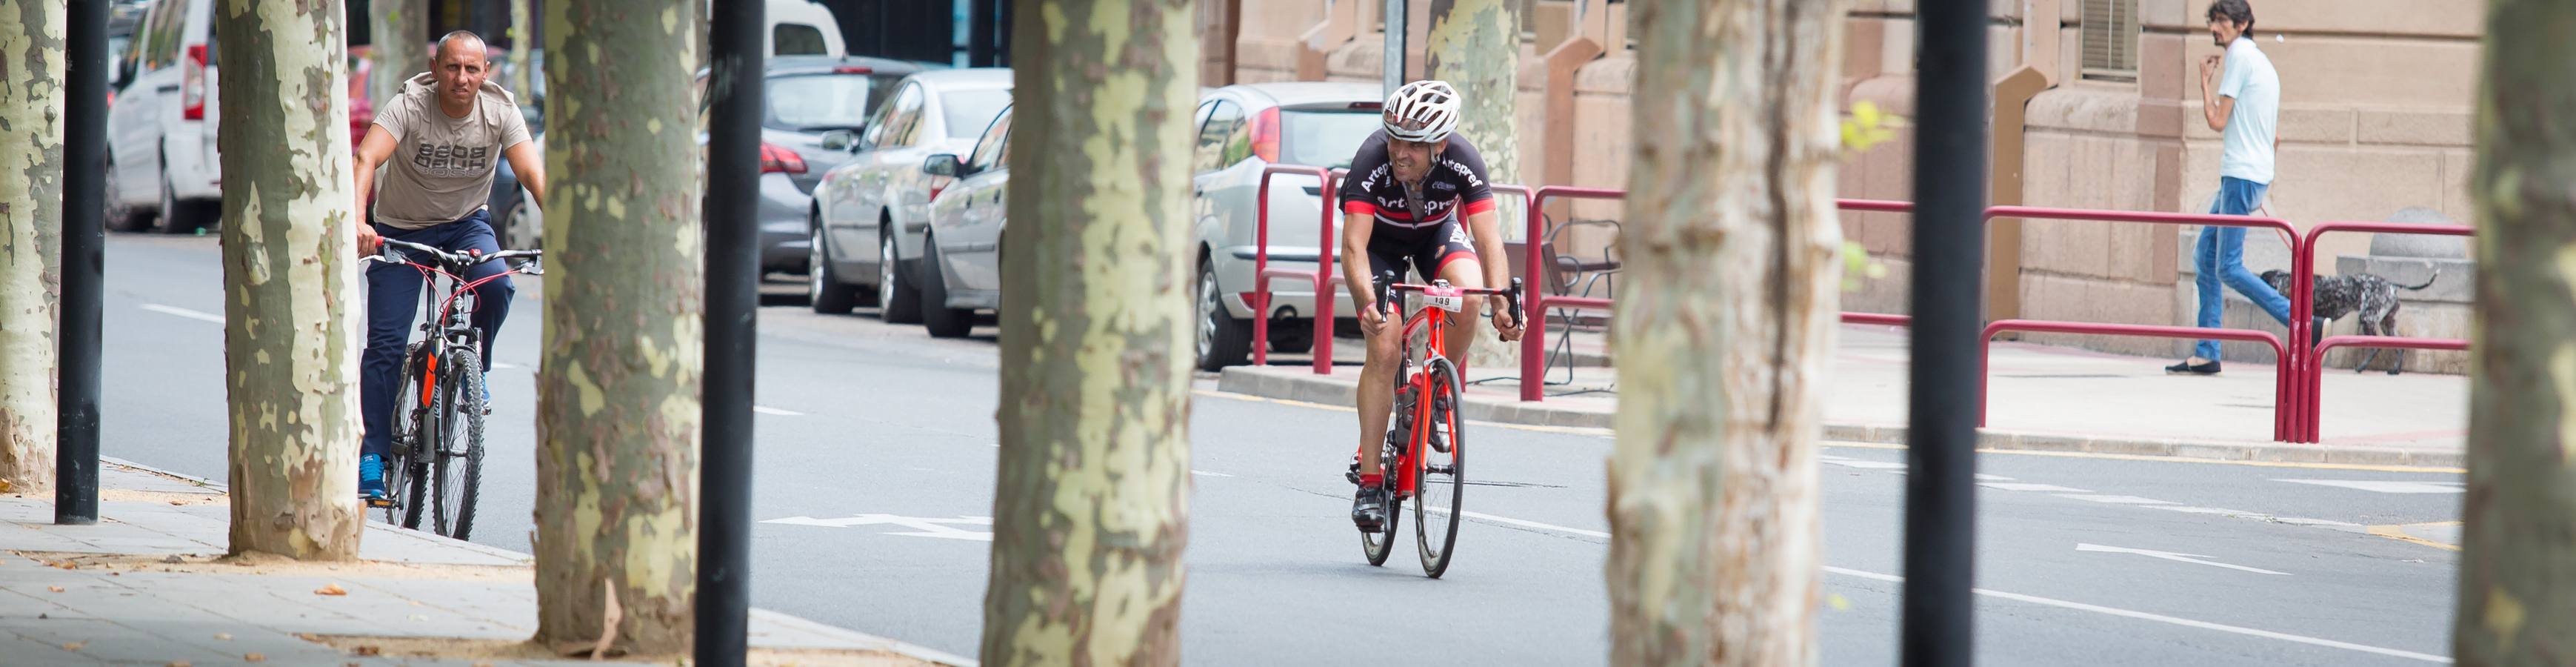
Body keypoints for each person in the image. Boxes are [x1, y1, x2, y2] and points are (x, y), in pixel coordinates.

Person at [353, 31, 547, 504]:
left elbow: (531, 173)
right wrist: (359, 220)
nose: (462, 78)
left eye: (472, 69)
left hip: (465, 225)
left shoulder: (499, 110)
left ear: (485, 73)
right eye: (453, 68)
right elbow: (367, 156)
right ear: (436, 68)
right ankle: (373, 456)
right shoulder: (412, 105)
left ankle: (474, 368)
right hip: (401, 228)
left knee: (497, 286)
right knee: (386, 345)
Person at [1339, 80, 1523, 531]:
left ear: (1440, 144)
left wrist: (1502, 301)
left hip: (1433, 236)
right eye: (1394, 139)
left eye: (1414, 146)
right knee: (1385, 345)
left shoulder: (1464, 161)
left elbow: (1488, 239)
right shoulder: (1370, 161)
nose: (1399, 152)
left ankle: (1437, 387)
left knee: (1469, 292)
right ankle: (1369, 481)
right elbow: (1353, 248)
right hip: (1379, 248)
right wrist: (1367, 302)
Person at [2169, 0, 2284, 376]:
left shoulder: (2238, 58)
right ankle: (2207, 352)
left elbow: (2217, 120)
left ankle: (2301, 320)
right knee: (2205, 257)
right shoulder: (2263, 63)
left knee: (2228, 266)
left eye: (2221, 22)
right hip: (2251, 173)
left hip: (2240, 175)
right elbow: (2275, 136)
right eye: (2213, 22)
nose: (2214, 29)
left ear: (2242, 24)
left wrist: (2203, 82)